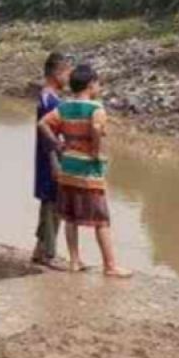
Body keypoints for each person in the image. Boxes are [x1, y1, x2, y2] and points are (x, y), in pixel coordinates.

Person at [38, 63, 132, 278]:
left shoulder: (63, 107)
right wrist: (96, 153)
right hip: (88, 171)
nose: (99, 86)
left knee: (71, 218)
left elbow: (43, 124)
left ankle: (74, 261)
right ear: (90, 85)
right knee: (101, 219)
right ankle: (110, 266)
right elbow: (97, 129)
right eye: (97, 83)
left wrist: (58, 144)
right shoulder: (96, 109)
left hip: (68, 168)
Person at [32, 52, 71, 269]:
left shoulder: (47, 97)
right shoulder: (50, 101)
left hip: (48, 158)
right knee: (53, 205)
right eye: (66, 73)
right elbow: (48, 135)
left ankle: (40, 250)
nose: (68, 78)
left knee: (49, 204)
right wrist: (55, 161)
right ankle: (48, 254)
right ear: (57, 73)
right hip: (51, 159)